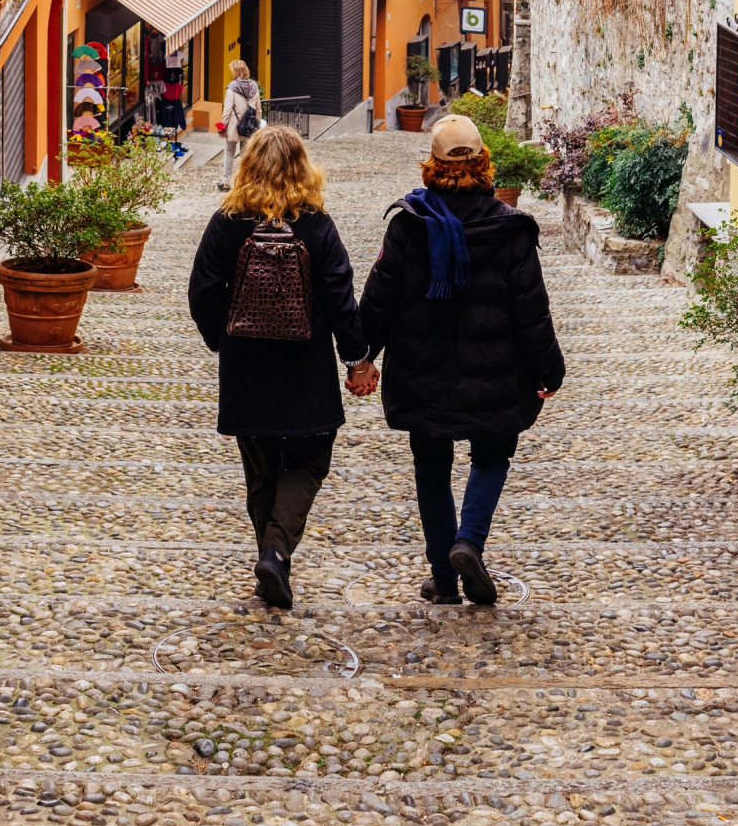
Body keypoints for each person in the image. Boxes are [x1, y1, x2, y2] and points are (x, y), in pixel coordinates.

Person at [355, 112, 564, 606]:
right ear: (484, 164)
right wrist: (549, 371)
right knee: (492, 455)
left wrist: (362, 358)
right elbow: (532, 311)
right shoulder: (511, 231)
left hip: (421, 373)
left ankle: (444, 581)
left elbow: (377, 302)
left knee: (431, 466)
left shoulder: (409, 226)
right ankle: (469, 541)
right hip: (496, 378)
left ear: (432, 166)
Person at [187, 125, 374, 610]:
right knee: (309, 463)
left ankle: (272, 561)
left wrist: (222, 341)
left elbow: (202, 292)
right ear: (303, 169)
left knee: (261, 471)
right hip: (305, 367)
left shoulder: (227, 222)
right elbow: (339, 296)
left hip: (246, 367)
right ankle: (274, 553)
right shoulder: (316, 225)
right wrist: (356, 360)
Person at [218, 58, 263, 188]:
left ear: (236, 72)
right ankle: (244, 181)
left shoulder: (232, 88)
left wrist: (222, 126)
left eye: (232, 70)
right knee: (245, 155)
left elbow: (227, 110)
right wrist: (257, 125)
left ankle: (226, 181)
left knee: (229, 152)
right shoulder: (254, 86)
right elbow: (258, 109)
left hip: (234, 126)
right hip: (249, 126)